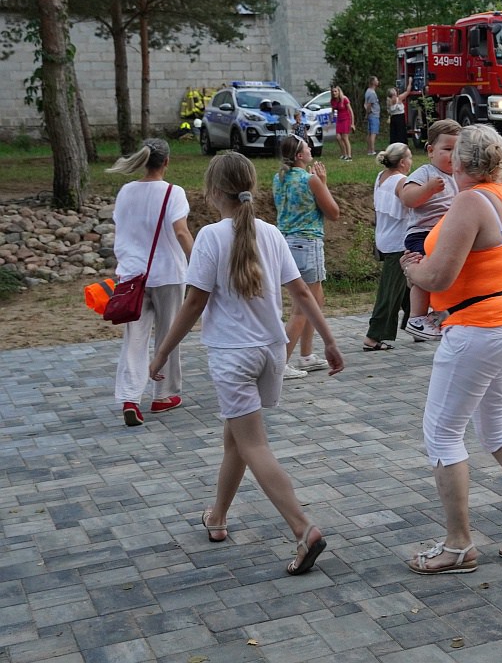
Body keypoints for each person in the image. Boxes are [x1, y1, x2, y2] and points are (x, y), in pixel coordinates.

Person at [149, 151, 345, 575]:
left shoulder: (209, 238)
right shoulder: (272, 234)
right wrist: (329, 341)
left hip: (233, 357)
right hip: (270, 353)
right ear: (251, 186)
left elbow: (195, 301)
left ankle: (302, 528)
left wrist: (163, 350)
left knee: (253, 443)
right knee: (236, 438)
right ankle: (217, 516)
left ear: (212, 192)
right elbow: (303, 293)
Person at [400, 124, 502, 574]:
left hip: (479, 328)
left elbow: (439, 278)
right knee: (497, 428)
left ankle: (458, 544)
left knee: (442, 435)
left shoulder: (470, 201)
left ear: (456, 162)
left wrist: (413, 271)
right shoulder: (500, 193)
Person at [107, 139, 193, 427]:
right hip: (168, 273)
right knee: (169, 334)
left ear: (143, 161)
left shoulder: (126, 191)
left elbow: (123, 228)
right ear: (166, 162)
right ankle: (164, 394)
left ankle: (130, 398)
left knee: (135, 338)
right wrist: (198, 263)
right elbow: (181, 232)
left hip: (132, 277)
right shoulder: (173, 192)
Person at [273, 135, 340, 378]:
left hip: (286, 243)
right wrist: (323, 183)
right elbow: (333, 212)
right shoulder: (310, 179)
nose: (311, 148)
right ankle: (282, 362)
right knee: (303, 307)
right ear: (300, 156)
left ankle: (306, 355)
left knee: (316, 300)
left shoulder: (278, 178)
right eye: (307, 147)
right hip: (307, 244)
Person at [401, 119, 461, 341]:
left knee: (449, 271)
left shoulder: (459, 176)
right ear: (430, 150)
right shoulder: (426, 173)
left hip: (446, 234)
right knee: (424, 268)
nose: (453, 156)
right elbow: (407, 198)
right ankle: (416, 317)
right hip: (422, 233)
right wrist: (428, 189)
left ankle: (437, 315)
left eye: (458, 150)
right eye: (447, 149)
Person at [363, 143, 413, 351]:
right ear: (402, 162)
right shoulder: (402, 181)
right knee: (390, 290)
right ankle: (374, 336)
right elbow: (410, 204)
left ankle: (416, 323)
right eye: (410, 158)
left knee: (404, 287)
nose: (412, 162)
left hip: (384, 237)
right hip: (397, 242)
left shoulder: (380, 176)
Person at [387, 78, 415, 145]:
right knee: (401, 133)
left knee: (394, 133)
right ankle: (402, 145)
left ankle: (394, 145)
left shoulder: (388, 101)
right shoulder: (399, 98)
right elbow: (407, 91)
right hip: (400, 118)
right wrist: (410, 82)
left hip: (393, 118)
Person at [330, 85, 354, 161]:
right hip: (339, 119)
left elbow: (351, 111)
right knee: (338, 137)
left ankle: (349, 156)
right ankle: (344, 154)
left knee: (344, 137)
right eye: (333, 91)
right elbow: (333, 109)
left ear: (339, 92)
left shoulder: (344, 99)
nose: (334, 93)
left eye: (335, 91)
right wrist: (332, 116)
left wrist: (352, 123)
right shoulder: (333, 100)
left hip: (346, 119)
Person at [364, 76, 381, 156]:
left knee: (370, 132)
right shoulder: (372, 93)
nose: (378, 81)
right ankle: (372, 150)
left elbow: (365, 104)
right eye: (376, 80)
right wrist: (367, 114)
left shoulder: (368, 91)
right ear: (373, 82)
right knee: (373, 133)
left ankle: (369, 149)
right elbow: (369, 105)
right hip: (373, 115)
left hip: (371, 115)